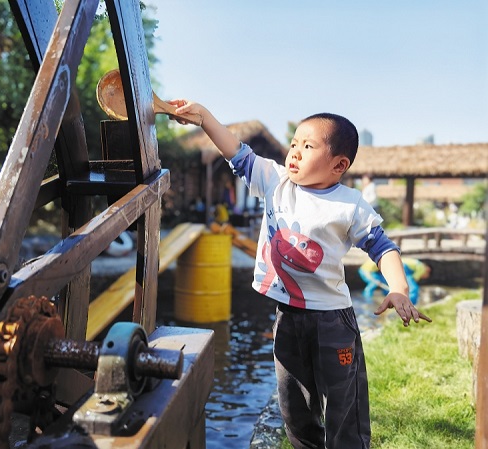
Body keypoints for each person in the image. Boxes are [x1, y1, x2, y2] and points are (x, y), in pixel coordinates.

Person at [170, 100, 431, 449]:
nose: (294, 152)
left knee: (343, 405)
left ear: (339, 164)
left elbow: (383, 248)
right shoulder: (276, 183)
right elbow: (238, 152)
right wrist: (203, 118)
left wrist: (398, 287)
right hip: (288, 317)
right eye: (294, 143)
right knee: (294, 405)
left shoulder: (349, 204)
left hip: (332, 322)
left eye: (308, 146)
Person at [359, 257, 431, 305]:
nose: (424, 278)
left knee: (385, 282)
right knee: (413, 287)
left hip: (397, 265)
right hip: (368, 272)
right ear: (428, 270)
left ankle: (389, 297)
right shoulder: (422, 267)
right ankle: (411, 303)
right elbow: (413, 279)